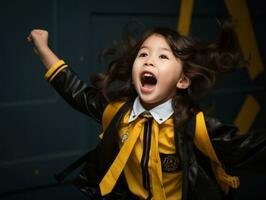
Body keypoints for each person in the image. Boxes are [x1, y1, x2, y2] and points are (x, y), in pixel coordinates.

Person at [27, 24, 265, 200]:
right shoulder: (118, 113)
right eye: (143, 54)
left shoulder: (195, 127)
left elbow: (251, 149)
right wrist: (44, 51)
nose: (149, 61)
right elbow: (78, 94)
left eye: (163, 56)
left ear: (182, 80)